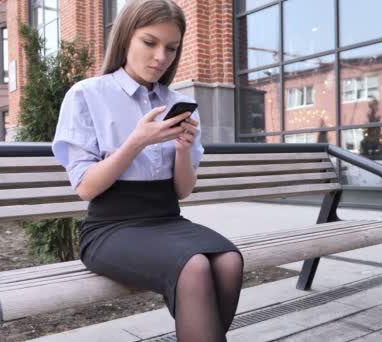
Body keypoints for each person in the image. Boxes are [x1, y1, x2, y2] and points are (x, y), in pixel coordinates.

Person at [52, 1, 243, 341]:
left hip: (166, 218)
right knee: (195, 266)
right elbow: (85, 188)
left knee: (228, 261)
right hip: (111, 227)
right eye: (150, 42)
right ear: (126, 37)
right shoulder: (87, 95)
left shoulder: (176, 102)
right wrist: (135, 142)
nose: (161, 57)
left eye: (171, 48)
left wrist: (183, 150)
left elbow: (182, 191)